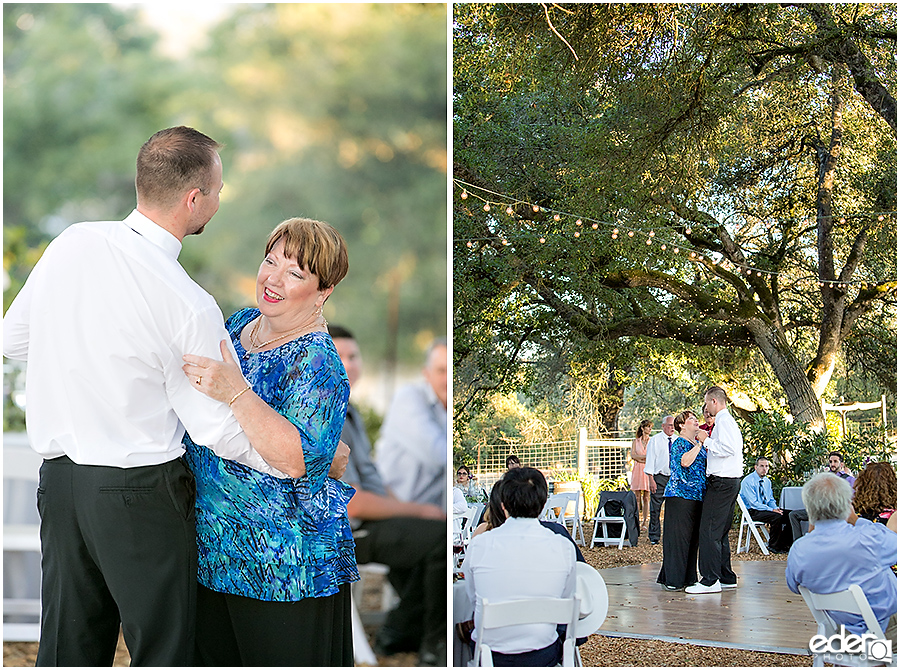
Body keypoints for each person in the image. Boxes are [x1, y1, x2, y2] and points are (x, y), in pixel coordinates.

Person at [2, 127, 333, 665]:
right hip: (138, 495)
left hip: (60, 485)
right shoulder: (189, 303)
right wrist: (290, 459)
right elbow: (214, 428)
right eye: (219, 190)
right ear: (193, 199)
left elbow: (13, 339)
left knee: (68, 649)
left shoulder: (72, 242)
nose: (220, 200)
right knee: (164, 652)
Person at [181, 217, 359, 665]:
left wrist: (236, 392)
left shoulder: (318, 362)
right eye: (270, 261)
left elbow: (297, 460)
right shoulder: (242, 322)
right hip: (214, 545)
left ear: (323, 291)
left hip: (281, 560)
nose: (273, 279)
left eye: (295, 273)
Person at [328, 325, 446, 666]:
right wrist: (418, 511)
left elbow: (375, 482)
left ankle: (398, 632)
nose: (348, 364)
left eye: (354, 356)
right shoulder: (327, 414)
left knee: (428, 537)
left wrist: (411, 511)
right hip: (346, 530)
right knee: (437, 537)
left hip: (372, 520)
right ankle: (435, 646)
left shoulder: (351, 411)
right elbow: (351, 499)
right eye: (339, 356)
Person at [462, 467, 577, 666]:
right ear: (543, 504)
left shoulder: (480, 544)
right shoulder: (563, 547)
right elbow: (565, 599)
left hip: (491, 656)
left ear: (503, 504)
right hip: (542, 655)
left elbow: (472, 597)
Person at [786, 473, 897, 646]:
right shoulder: (868, 539)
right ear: (847, 505)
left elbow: (794, 586)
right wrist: (856, 520)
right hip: (885, 631)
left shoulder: (799, 551)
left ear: (810, 508)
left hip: (841, 632)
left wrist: (810, 532)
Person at [376, 338, 448, 508]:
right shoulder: (409, 398)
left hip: (428, 514)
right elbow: (439, 456)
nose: (447, 379)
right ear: (426, 374)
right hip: (395, 510)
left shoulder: (446, 408)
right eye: (441, 371)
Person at [687, 386, 743, 594]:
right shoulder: (726, 421)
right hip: (729, 481)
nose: (706, 409)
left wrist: (706, 440)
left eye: (707, 403)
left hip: (722, 481)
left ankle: (710, 580)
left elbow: (729, 449)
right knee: (719, 531)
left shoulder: (724, 421)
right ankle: (726, 576)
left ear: (714, 402)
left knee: (709, 530)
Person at [656, 410, 706, 591]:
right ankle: (673, 579)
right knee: (678, 539)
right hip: (680, 496)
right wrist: (700, 444)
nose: (695, 421)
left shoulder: (698, 445)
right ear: (681, 426)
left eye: (695, 418)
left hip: (697, 497)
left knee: (693, 540)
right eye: (691, 419)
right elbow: (685, 462)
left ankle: (689, 578)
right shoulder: (679, 443)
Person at [739, 457, 793, 553]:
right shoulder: (748, 481)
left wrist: (776, 508)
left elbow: (770, 499)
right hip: (753, 511)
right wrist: (772, 510)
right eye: (762, 466)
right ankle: (774, 546)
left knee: (790, 515)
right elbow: (754, 503)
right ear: (756, 467)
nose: (764, 469)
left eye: (767, 466)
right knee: (776, 517)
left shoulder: (767, 481)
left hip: (765, 509)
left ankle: (786, 545)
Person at [645, 415, 675, 545]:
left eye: (674, 425)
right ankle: (654, 536)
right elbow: (650, 460)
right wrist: (651, 479)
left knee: (673, 508)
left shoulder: (677, 440)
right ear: (663, 426)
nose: (672, 428)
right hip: (659, 477)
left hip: (673, 477)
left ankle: (670, 535)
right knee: (655, 508)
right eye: (669, 425)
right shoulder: (655, 440)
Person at [630, 420, 652, 530]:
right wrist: (643, 458)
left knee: (647, 497)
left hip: (647, 469)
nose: (649, 429)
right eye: (648, 427)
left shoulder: (652, 441)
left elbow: (651, 456)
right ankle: (636, 520)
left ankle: (645, 521)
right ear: (642, 428)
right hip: (637, 469)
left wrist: (642, 458)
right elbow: (633, 455)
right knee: (637, 496)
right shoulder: (636, 441)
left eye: (650, 427)